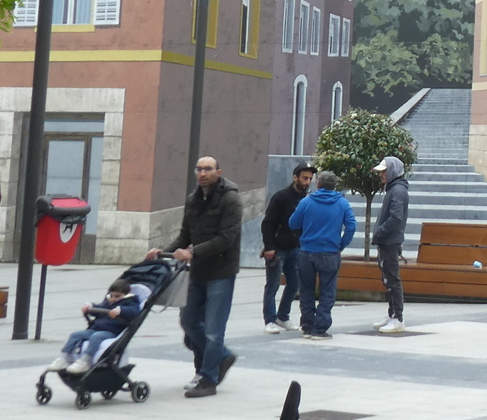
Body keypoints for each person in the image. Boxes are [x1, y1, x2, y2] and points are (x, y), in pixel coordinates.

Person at [147, 156, 241, 398]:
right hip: (197, 271)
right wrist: (164, 251)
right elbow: (185, 236)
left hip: (221, 271)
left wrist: (192, 252)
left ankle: (208, 379)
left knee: (213, 330)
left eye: (208, 169)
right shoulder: (193, 199)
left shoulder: (230, 198)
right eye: (199, 169)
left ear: (218, 172)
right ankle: (222, 356)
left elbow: (226, 238)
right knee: (188, 322)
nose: (202, 173)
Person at [289, 170, 355, 341]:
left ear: (318, 184)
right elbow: (351, 226)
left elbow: (293, 223)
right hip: (330, 252)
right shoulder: (342, 203)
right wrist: (341, 244)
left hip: (307, 251)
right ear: (335, 186)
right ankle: (320, 329)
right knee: (327, 291)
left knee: (306, 290)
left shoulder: (306, 201)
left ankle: (307, 325)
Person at [46, 278, 143, 374]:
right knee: (75, 335)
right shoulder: (108, 301)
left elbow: (134, 311)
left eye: (117, 296)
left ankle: (86, 361)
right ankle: (64, 358)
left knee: (96, 337)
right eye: (111, 295)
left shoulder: (130, 302)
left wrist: (121, 310)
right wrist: (90, 306)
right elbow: (99, 308)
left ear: (126, 295)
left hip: (112, 331)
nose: (113, 298)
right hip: (96, 328)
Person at [260, 164, 314, 334]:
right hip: (278, 249)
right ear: (295, 177)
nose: (308, 182)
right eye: (305, 178)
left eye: (310, 179)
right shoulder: (281, 197)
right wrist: (269, 246)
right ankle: (270, 320)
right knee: (273, 285)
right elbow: (268, 223)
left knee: (294, 284)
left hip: (296, 248)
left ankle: (282, 316)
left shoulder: (306, 199)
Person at [372, 156, 410, 334]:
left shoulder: (397, 191)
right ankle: (392, 314)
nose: (381, 174)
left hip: (389, 241)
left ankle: (397, 318)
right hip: (389, 240)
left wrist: (380, 232)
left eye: (384, 171)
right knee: (389, 279)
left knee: (392, 280)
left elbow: (396, 217)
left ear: (393, 171)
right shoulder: (395, 189)